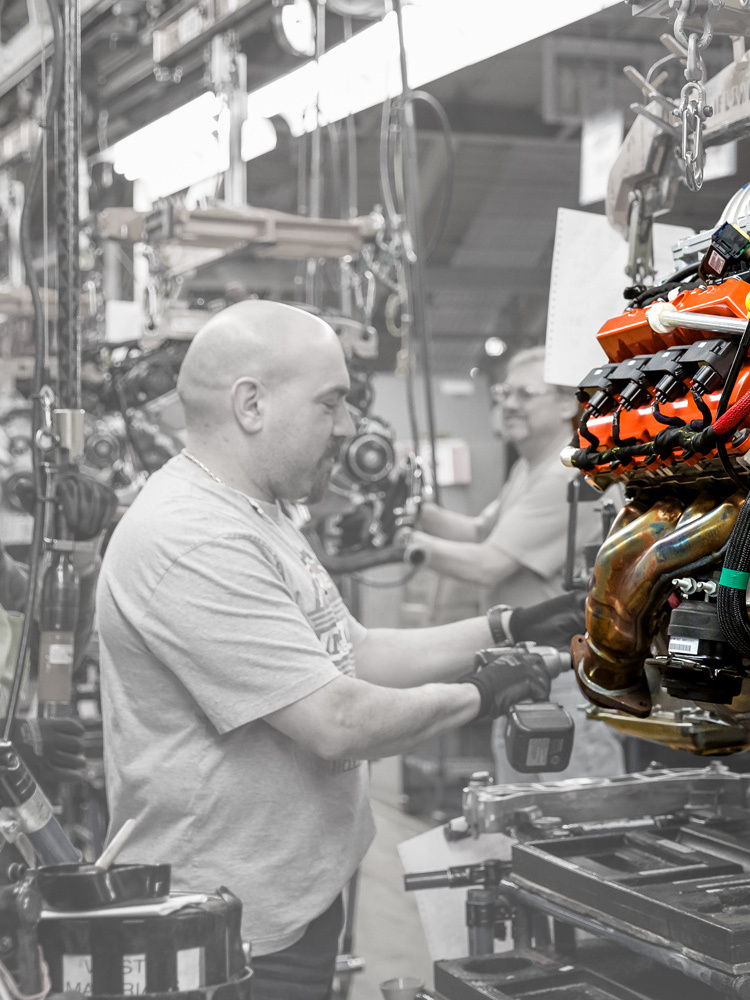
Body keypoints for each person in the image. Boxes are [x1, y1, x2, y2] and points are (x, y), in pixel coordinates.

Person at [95, 301, 538, 1000]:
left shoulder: (260, 511)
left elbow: (354, 651)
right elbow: (336, 718)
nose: (345, 427)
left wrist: (507, 627)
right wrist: (482, 694)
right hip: (225, 930)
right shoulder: (194, 537)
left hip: (289, 897)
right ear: (251, 404)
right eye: (330, 402)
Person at [407, 345, 623, 784]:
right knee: (524, 803)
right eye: (504, 393)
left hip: (562, 672)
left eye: (525, 394)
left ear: (567, 405)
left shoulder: (567, 475)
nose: (507, 404)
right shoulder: (530, 468)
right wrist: (417, 512)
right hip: (527, 667)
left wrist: (408, 545)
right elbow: (480, 532)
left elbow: (488, 564)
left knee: (575, 808)